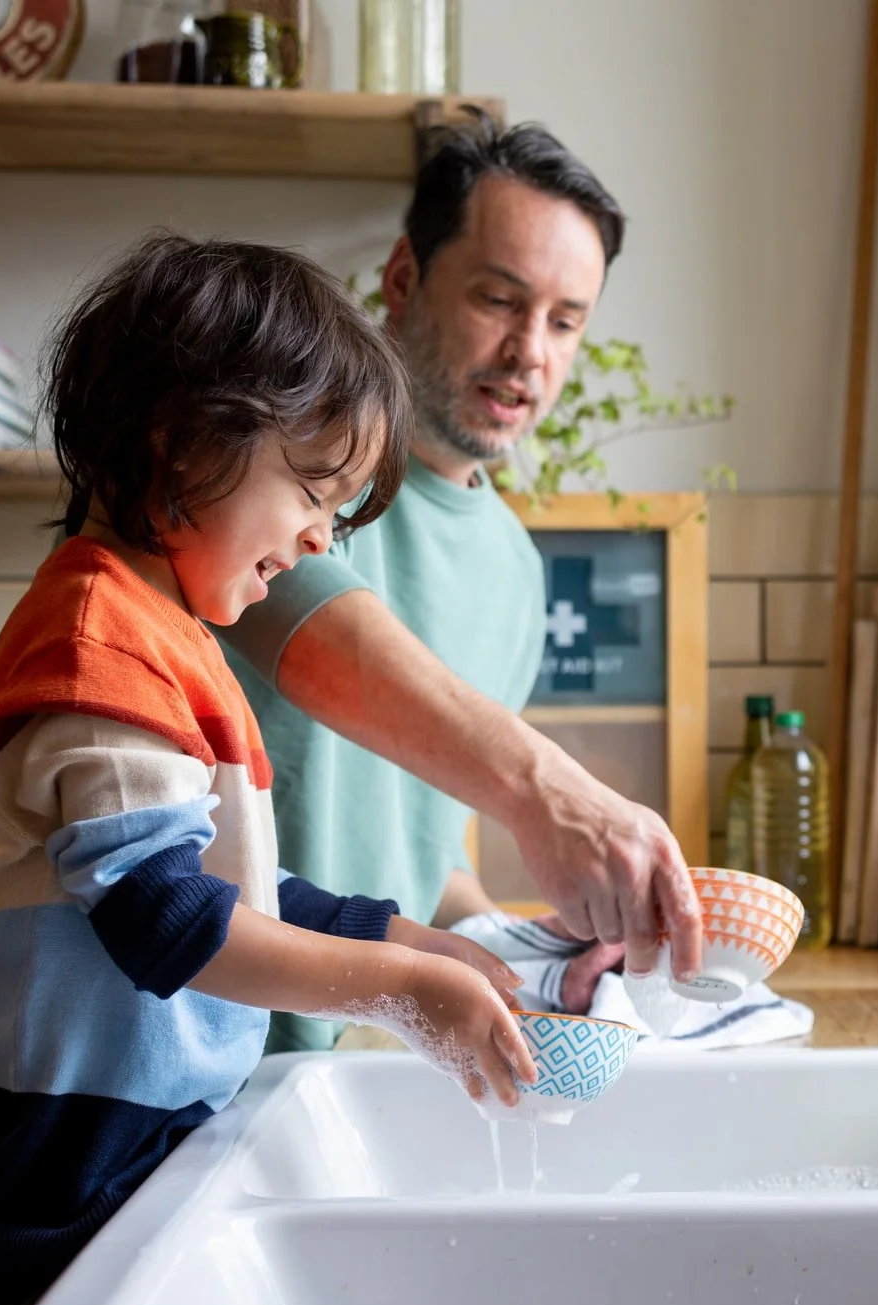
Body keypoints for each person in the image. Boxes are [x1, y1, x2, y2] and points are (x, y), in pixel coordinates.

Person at [0, 233, 536, 1305]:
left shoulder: (166, 642)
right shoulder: (98, 647)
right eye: (312, 490)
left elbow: (225, 888)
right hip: (46, 1210)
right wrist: (399, 993)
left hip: (99, 1186)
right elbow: (169, 924)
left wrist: (404, 939)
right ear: (182, 447)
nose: (320, 540)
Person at [218, 115, 634, 1040]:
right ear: (403, 281)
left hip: (297, 1066)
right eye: (500, 300)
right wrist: (546, 792)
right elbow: (319, 645)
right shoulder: (277, 440)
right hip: (92, 1066)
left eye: (565, 322)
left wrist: (520, 948)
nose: (532, 351)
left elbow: (418, 848)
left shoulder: (516, 573)